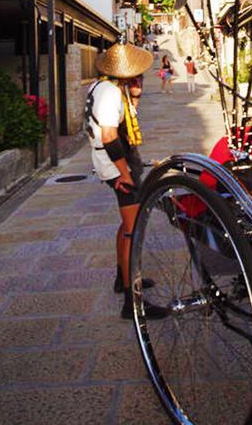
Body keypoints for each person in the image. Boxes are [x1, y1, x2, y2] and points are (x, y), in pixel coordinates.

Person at [85, 39, 165, 320]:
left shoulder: (106, 86)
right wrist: (124, 173)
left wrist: (136, 96)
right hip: (115, 162)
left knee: (127, 223)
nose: (141, 77)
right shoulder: (110, 94)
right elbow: (109, 136)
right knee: (134, 228)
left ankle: (122, 278)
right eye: (137, 73)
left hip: (114, 160)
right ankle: (133, 301)